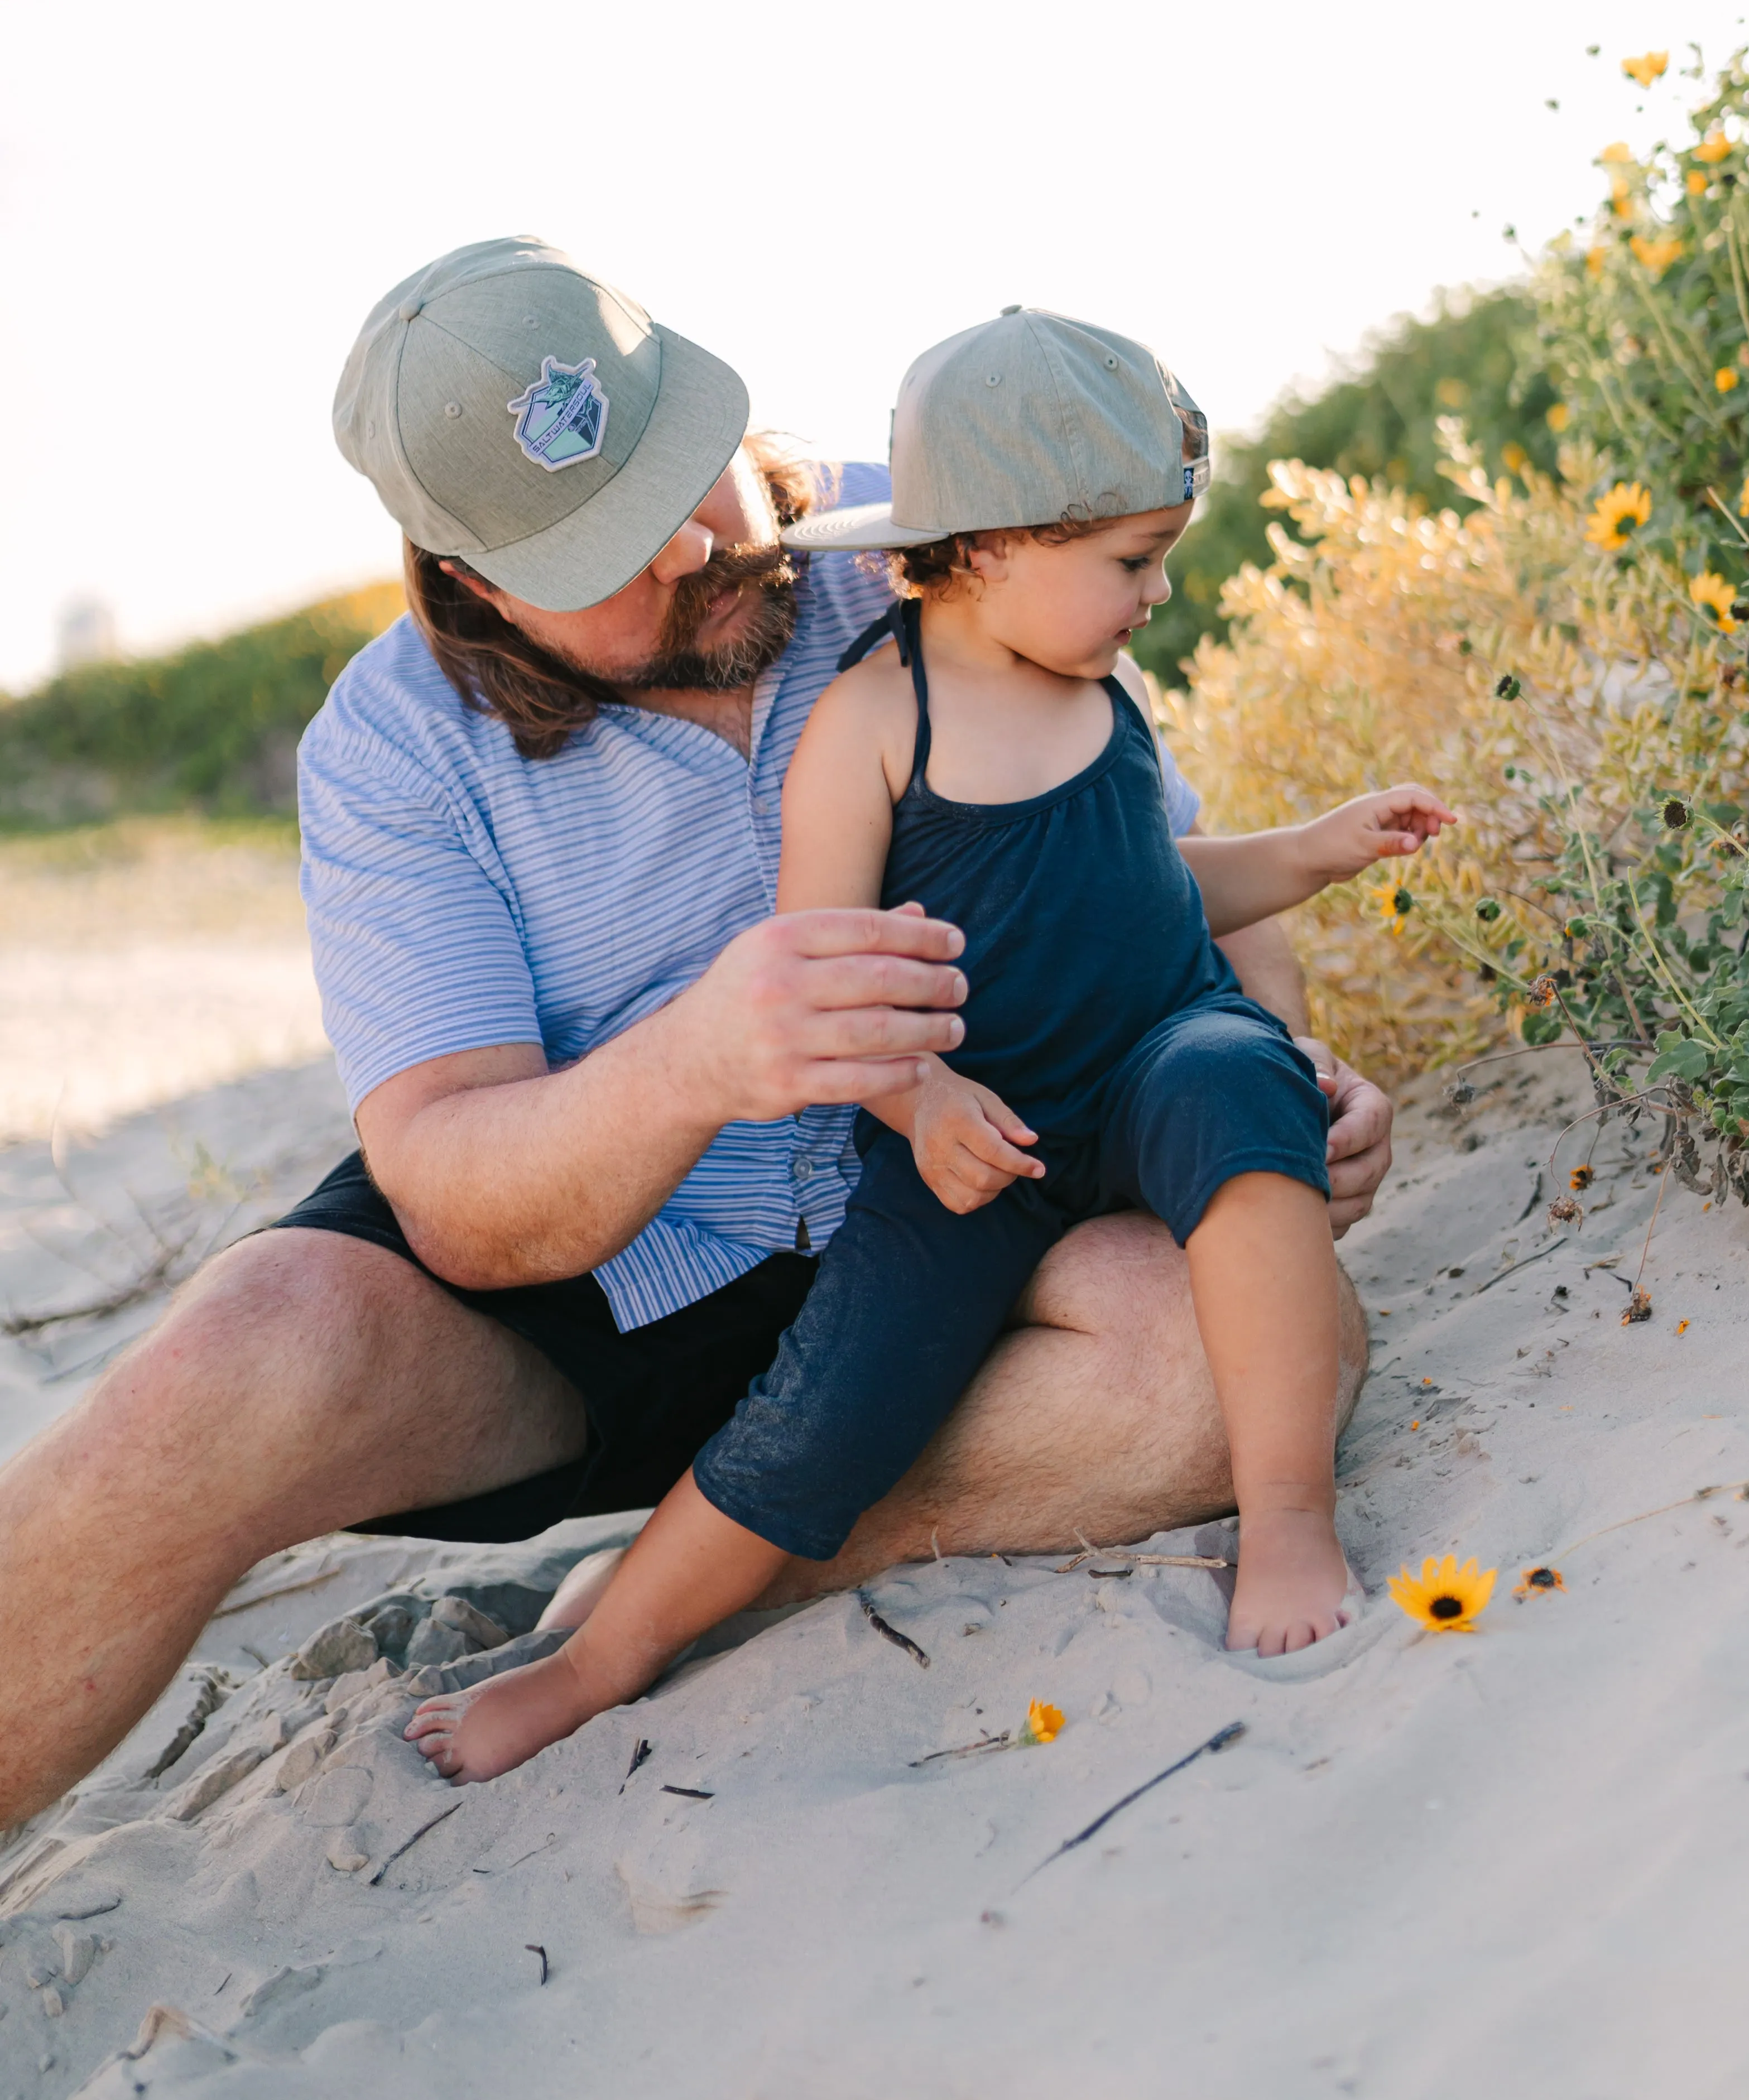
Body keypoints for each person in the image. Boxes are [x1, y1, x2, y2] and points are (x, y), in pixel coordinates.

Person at [0, 242, 1396, 1835]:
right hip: (597, 1284)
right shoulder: (390, 749)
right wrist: (697, 1059)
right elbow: (455, 1189)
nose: (685, 544)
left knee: (1208, 1366)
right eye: (601, 547)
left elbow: (1148, 850)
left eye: (690, 474)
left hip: (968, 1210)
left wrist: (1284, 1065)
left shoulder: (946, 532)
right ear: (470, 582)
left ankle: (676, 1576)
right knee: (245, 1346)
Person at [408, 308, 1449, 1783]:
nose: (1157, 594)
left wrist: (1313, 852)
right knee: (830, 1398)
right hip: (977, 1125)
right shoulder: (869, 723)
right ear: (986, 548)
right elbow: (818, 983)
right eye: (1131, 563)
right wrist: (920, 1095)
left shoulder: (1101, 685)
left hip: (1158, 1045)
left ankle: (1285, 1519)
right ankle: (595, 1658)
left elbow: (1152, 886)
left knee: (1238, 1088)